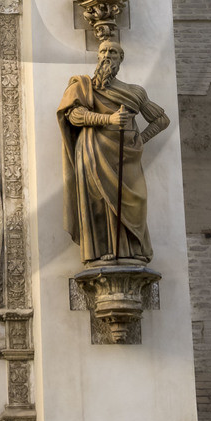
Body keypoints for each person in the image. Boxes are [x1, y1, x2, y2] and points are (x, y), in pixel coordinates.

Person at [57, 40, 169, 264]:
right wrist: (108, 119)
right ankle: (102, 250)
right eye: (104, 51)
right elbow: (74, 115)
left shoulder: (134, 92)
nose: (107, 55)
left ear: (121, 59)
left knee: (131, 201)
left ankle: (133, 250)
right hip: (93, 153)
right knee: (99, 202)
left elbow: (161, 119)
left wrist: (141, 139)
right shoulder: (82, 86)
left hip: (126, 156)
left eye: (113, 52)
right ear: (98, 56)